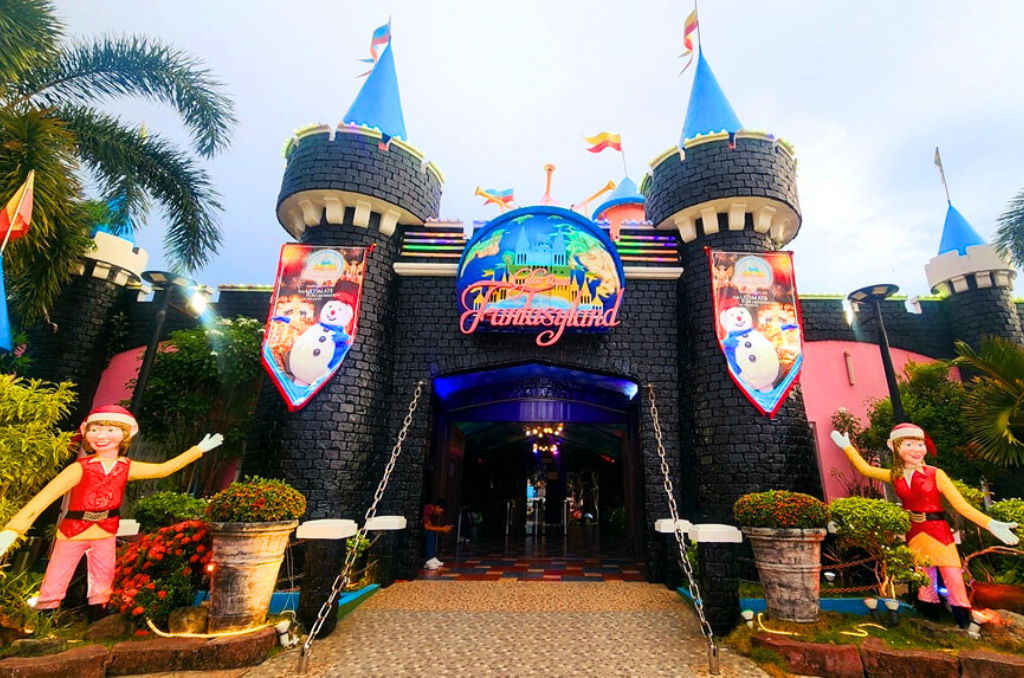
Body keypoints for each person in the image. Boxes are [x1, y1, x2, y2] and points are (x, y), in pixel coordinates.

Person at [0, 405, 223, 619]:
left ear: (124, 434)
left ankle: (97, 615)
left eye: (109, 429)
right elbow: (45, 497)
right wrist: (13, 529)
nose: (101, 435)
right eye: (95, 430)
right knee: (57, 574)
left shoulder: (125, 467)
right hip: (73, 530)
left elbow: (163, 470)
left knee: (103, 576)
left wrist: (198, 450)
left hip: (106, 529)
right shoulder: (80, 468)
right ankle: (46, 613)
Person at [831, 424, 1019, 628]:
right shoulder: (896, 475)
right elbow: (866, 469)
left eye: (920, 444)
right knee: (924, 579)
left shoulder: (936, 474)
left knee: (953, 577)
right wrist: (847, 447)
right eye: (909, 444)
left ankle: (963, 622)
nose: (916, 449)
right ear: (894, 447)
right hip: (915, 532)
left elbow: (961, 506)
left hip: (938, 531)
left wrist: (990, 523)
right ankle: (931, 622)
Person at [422, 498, 451, 570]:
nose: (440, 513)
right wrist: (442, 529)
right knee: (430, 533)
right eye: (441, 511)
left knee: (432, 532)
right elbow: (427, 527)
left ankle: (432, 557)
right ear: (437, 507)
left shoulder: (430, 512)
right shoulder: (427, 509)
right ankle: (429, 560)